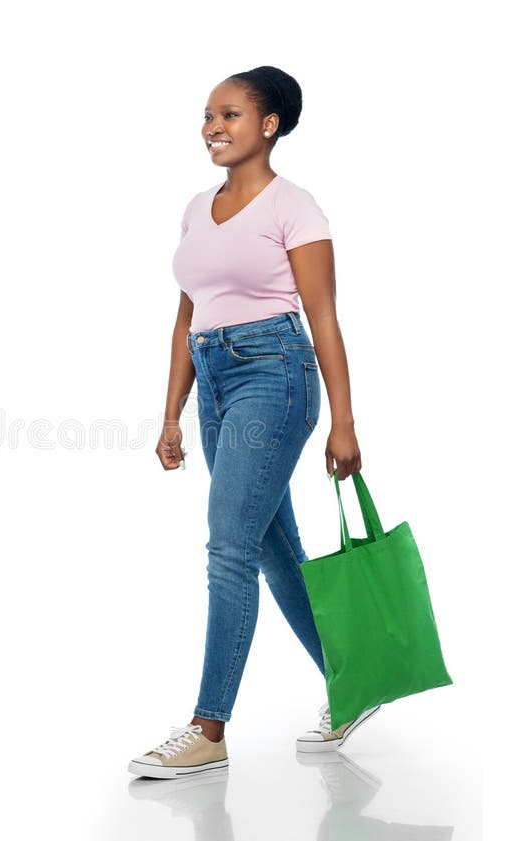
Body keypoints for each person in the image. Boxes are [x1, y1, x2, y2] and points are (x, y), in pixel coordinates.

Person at [128, 66, 381, 780]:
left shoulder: (294, 207)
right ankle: (353, 680)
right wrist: (171, 413)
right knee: (271, 548)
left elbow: (323, 315)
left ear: (268, 124)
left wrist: (344, 421)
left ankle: (208, 727)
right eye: (208, 114)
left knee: (229, 546)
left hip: (275, 374)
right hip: (213, 381)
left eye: (231, 113)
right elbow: (186, 316)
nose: (213, 125)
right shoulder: (193, 209)